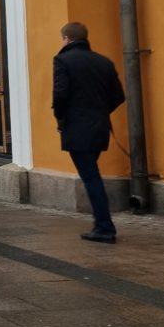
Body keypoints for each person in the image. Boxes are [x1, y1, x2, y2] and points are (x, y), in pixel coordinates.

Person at [53, 22, 126, 244]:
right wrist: (100, 113)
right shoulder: (104, 62)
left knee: (91, 177)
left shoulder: (63, 60)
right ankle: (102, 225)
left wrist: (61, 118)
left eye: (62, 39)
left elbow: (60, 94)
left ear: (67, 38)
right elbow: (118, 96)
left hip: (77, 128)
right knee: (91, 173)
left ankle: (105, 227)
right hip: (99, 128)